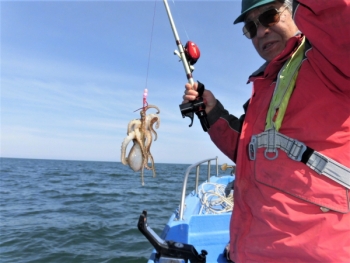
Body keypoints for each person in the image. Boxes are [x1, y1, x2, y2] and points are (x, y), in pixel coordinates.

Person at [183, 0, 350, 262]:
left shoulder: (331, 58)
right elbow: (251, 155)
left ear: (295, 9)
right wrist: (212, 111)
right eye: (251, 26)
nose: (261, 32)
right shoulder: (265, 84)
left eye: (270, 16)